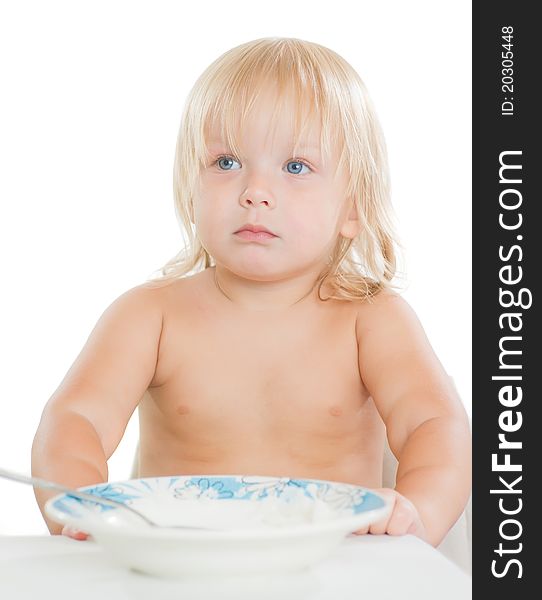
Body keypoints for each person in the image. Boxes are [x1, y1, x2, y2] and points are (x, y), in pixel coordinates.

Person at [31, 37, 471, 545]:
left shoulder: (371, 319)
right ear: (189, 188)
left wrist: (419, 516)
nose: (254, 192)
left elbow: (436, 426)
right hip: (174, 562)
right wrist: (82, 506)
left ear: (352, 208)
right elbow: (74, 418)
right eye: (225, 163)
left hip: (334, 566)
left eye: (295, 167)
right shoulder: (150, 316)